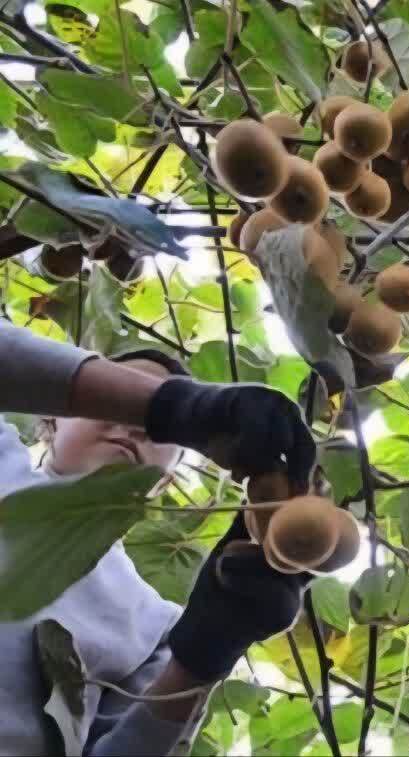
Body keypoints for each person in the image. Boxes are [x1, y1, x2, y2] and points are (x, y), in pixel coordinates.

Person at [0, 320, 318, 756]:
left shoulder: (152, 621)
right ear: (50, 416)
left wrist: (201, 659)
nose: (135, 428)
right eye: (116, 403)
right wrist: (167, 407)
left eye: (159, 433)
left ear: (166, 481)